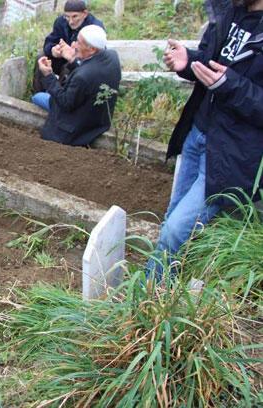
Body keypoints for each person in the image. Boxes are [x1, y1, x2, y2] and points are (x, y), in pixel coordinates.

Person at [146, 0, 263, 277]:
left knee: (176, 231)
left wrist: (230, 85)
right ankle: (160, 293)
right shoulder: (230, 14)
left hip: (229, 152)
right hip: (197, 134)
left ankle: (144, 298)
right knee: (172, 221)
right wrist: (188, 62)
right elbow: (210, 63)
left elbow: (232, 83)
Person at [31, 25, 121, 146]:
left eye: (79, 42)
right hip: (98, 117)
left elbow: (65, 103)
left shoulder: (82, 77)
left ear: (92, 49)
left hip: (77, 122)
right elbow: (90, 73)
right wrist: (73, 60)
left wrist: (48, 75)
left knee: (38, 97)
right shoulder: (112, 56)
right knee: (51, 92)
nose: (74, 45)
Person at [32, 0, 104, 93]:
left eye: (75, 16)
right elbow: (50, 41)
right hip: (61, 57)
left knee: (68, 67)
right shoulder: (61, 21)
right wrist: (53, 50)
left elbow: (95, 55)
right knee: (41, 57)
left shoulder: (94, 27)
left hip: (81, 63)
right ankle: (38, 92)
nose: (71, 21)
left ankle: (59, 97)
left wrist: (73, 54)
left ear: (85, 13)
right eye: (67, 17)